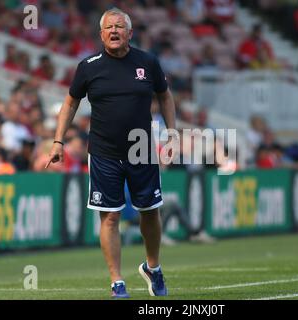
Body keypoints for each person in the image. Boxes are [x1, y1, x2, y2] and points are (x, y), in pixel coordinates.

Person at [45, 8, 177, 299]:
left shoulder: (148, 61)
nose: (114, 31)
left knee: (150, 211)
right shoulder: (89, 66)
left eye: (120, 26)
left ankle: (153, 268)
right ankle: (117, 282)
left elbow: (165, 96)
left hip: (141, 149)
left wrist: (173, 131)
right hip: (104, 152)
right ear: (101, 34)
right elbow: (69, 104)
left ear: (130, 33)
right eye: (109, 27)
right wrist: (58, 141)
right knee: (110, 218)